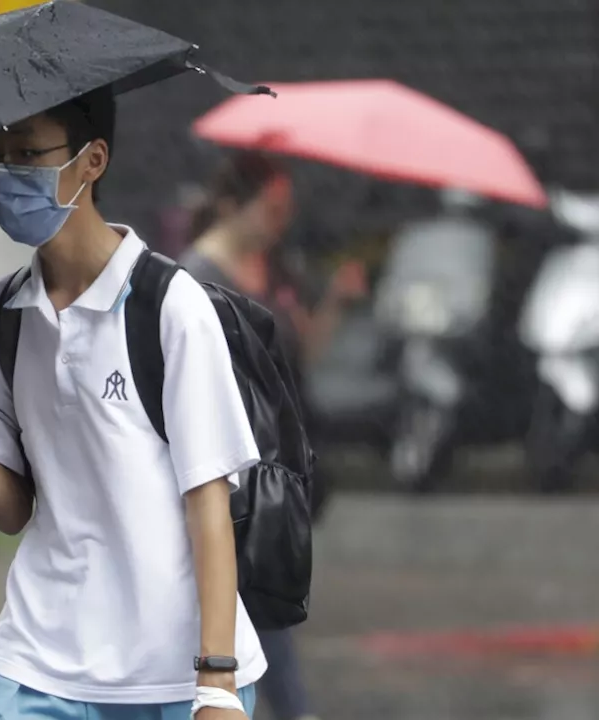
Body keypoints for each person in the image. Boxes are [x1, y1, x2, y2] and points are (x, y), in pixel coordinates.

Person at [0, 87, 262, 720]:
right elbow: (11, 509)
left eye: (25, 153)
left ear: (92, 160)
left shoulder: (169, 305)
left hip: (168, 672)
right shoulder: (1, 316)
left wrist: (216, 681)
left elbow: (209, 499)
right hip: (35, 658)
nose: (4, 177)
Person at [180, 151, 367, 720]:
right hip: (231, 469)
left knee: (264, 599)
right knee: (256, 600)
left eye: (287, 210)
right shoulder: (194, 278)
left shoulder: (277, 268)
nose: (281, 220)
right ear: (234, 205)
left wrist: (335, 298)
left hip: (279, 468)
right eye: (273, 207)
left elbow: (300, 358)